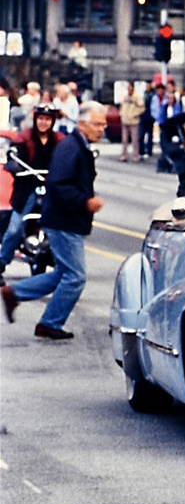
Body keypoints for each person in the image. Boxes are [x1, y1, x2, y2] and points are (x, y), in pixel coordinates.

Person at [2, 102, 106, 339]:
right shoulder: (71, 148)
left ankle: (14, 293)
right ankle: (49, 323)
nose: (101, 129)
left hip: (66, 219)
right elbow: (58, 185)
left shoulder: (76, 145)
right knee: (76, 277)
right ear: (82, 124)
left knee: (63, 274)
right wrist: (85, 202)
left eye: (103, 124)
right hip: (63, 221)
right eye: (97, 124)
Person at [1, 105, 61, 276]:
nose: (44, 123)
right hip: (27, 188)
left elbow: (67, 159)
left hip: (51, 188)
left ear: (53, 121)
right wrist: (14, 163)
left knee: (61, 226)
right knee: (15, 227)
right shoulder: (24, 138)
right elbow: (13, 155)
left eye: (48, 119)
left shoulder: (60, 141)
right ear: (35, 119)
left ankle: (60, 265)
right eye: (41, 118)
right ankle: (2, 262)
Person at [119, 84, 144, 162]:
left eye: (129, 88)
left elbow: (142, 107)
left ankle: (136, 155)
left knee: (134, 139)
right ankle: (124, 155)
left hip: (134, 121)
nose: (128, 89)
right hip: (125, 120)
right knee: (124, 139)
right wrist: (122, 114)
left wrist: (134, 114)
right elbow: (122, 106)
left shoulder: (137, 97)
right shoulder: (125, 97)